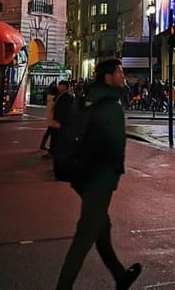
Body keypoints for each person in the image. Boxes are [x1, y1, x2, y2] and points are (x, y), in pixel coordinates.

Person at [55, 58, 141, 290]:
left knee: (101, 227)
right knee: (86, 234)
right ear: (108, 77)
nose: (124, 76)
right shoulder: (111, 105)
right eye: (120, 72)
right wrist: (114, 173)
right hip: (99, 177)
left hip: (80, 173)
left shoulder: (86, 98)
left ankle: (120, 275)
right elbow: (114, 145)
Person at [40, 81, 60, 158]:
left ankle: (43, 144)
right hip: (53, 119)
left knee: (49, 132)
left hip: (50, 119)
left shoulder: (49, 99)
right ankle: (51, 150)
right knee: (54, 135)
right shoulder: (55, 100)